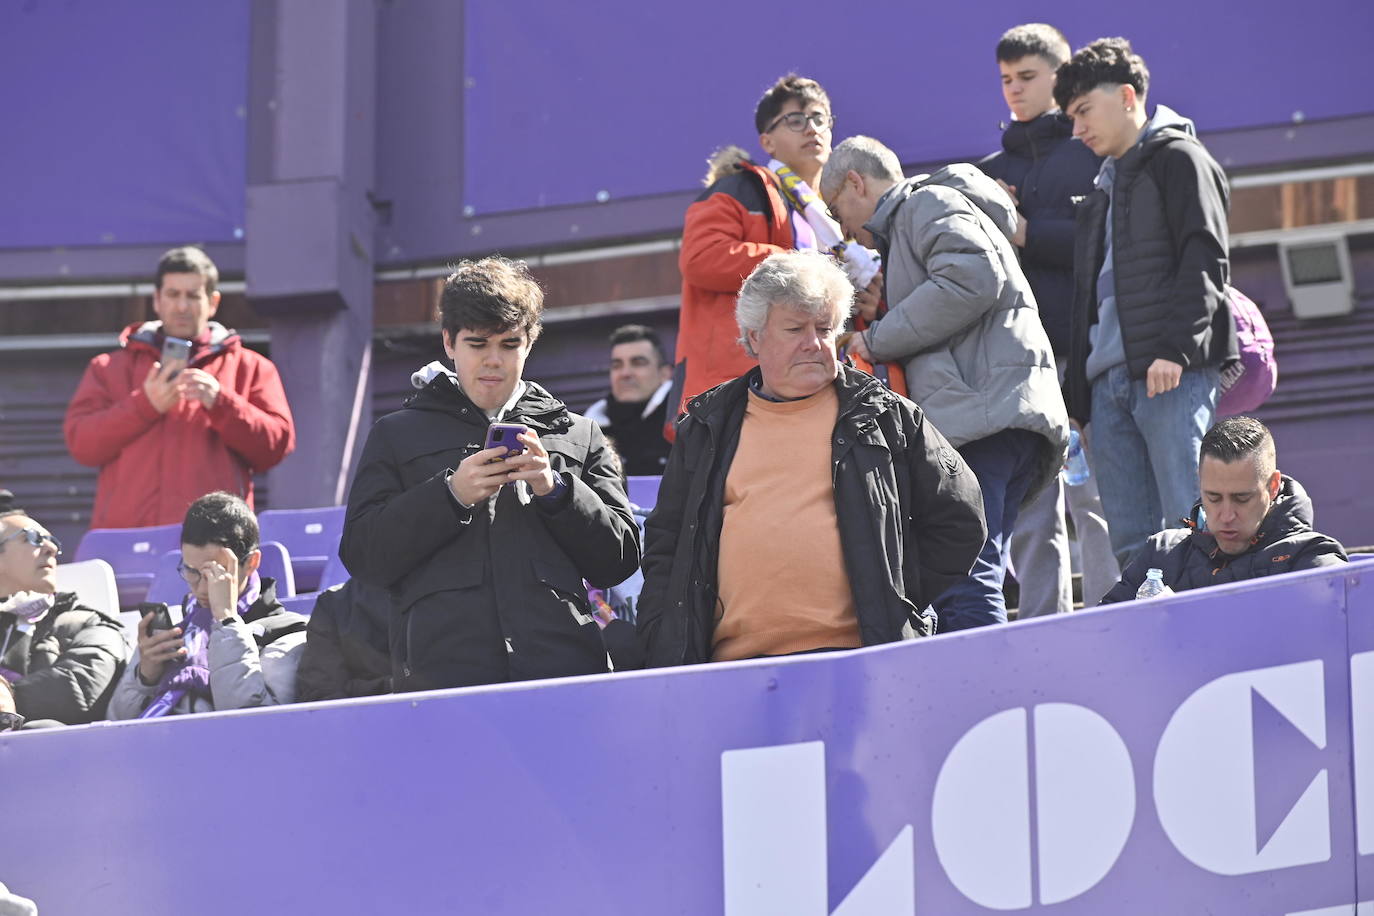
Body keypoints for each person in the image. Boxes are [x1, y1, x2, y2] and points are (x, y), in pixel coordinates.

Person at [637, 251, 986, 665]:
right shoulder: (706, 426)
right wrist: (662, 636)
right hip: (734, 669)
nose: (813, 344)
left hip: (861, 661)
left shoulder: (885, 415)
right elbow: (666, 547)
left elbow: (961, 519)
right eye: (794, 328)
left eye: (824, 328)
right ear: (754, 338)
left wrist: (893, 596)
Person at [340, 257, 640, 692]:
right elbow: (363, 557)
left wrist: (555, 490)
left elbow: (620, 559)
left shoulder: (580, 433)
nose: (494, 361)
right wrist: (449, 496)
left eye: (509, 344)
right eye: (477, 345)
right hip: (443, 682)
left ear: (530, 343)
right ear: (449, 343)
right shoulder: (394, 434)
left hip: (563, 675)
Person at [822, 137, 1069, 631]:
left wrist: (876, 339)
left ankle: (983, 697)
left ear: (856, 182)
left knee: (967, 579)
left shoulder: (924, 203)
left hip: (981, 417)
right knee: (972, 573)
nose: (843, 229)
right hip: (998, 411)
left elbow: (971, 279)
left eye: (837, 210)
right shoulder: (924, 214)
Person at [1054, 38, 1236, 568]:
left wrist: (1176, 349)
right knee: (1133, 549)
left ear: (1128, 96)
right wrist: (1081, 404)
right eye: (1070, 116)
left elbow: (1206, 258)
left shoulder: (1180, 158)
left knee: (1193, 525)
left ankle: (1210, 639)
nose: (1077, 128)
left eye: (1084, 110)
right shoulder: (1101, 190)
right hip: (1105, 389)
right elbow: (1085, 304)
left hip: (1168, 372)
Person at [978, 23, 1118, 614]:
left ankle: (1119, 607)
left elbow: (1106, 238)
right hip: (1016, 358)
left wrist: (1028, 231)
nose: (1015, 90)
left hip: (1082, 348)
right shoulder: (985, 168)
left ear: (1059, 78)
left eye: (1028, 77)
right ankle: (1042, 623)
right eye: (1007, 79)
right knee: (1032, 501)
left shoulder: (1090, 150)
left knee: (1095, 497)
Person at [676, 74, 882, 412]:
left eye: (820, 119)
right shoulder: (739, 188)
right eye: (795, 120)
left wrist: (871, 308)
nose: (811, 128)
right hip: (738, 388)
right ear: (767, 141)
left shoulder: (839, 215)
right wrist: (801, 264)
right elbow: (701, 258)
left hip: (826, 386)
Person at [64, 246, 296, 529]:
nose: (182, 306)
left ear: (213, 302)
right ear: (157, 300)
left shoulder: (253, 367)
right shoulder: (107, 368)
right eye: (173, 295)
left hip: (217, 541)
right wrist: (144, 406)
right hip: (127, 541)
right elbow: (81, 444)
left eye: (193, 296)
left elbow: (277, 446)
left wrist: (222, 402)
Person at [1101, 417, 1346, 603]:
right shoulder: (1162, 555)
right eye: (1214, 497)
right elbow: (1100, 638)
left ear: (1272, 486)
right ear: (1200, 482)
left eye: (1241, 498)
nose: (1226, 516)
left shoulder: (1310, 558)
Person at [108, 492, 308, 718]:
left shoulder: (288, 634)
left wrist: (226, 619)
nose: (201, 589)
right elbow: (117, 722)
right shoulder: (176, 629)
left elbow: (254, 724)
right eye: (191, 571)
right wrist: (145, 677)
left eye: (215, 574)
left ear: (251, 563)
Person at [0, 490, 127, 726]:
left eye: (53, 541)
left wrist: (8, 694)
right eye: (33, 538)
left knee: (42, 728)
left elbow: (80, 690)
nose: (51, 548)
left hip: (36, 748)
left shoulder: (89, 622)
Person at [583, 324, 674, 475]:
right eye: (617, 365)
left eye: (638, 363)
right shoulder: (590, 431)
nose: (625, 373)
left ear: (665, 373)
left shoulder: (685, 423)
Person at [294, 578, 392, 702]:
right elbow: (322, 694)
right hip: (363, 717)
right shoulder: (332, 604)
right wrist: (390, 685)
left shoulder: (333, 603)